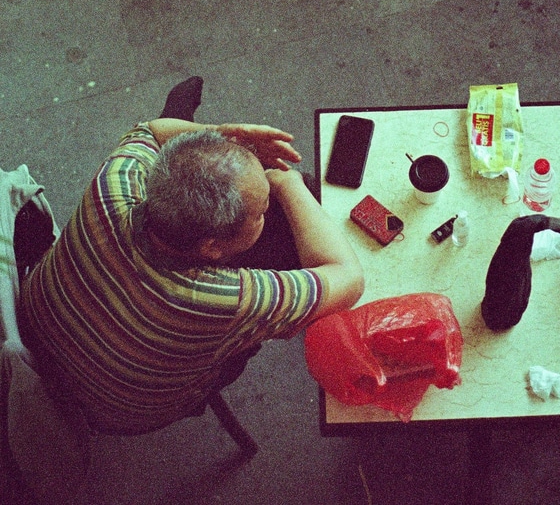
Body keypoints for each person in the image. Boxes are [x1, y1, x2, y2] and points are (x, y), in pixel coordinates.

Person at [20, 77, 364, 436]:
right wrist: (286, 184)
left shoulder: (113, 183)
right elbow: (348, 278)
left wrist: (223, 135)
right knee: (294, 220)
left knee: (179, 139)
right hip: (117, 412)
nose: (264, 208)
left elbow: (151, 131)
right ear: (213, 249)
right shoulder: (226, 300)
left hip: (37, 328)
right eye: (259, 211)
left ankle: (189, 154)